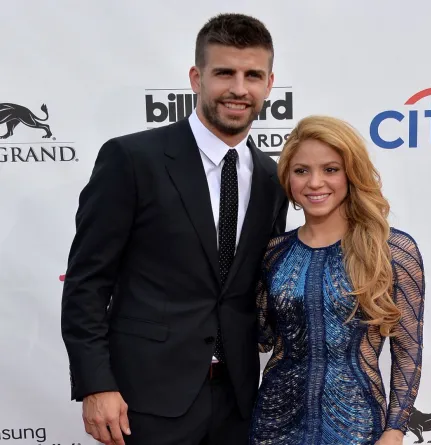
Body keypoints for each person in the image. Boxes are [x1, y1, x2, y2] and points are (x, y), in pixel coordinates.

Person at [60, 13, 288, 445]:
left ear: (269, 84)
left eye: (253, 75)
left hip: (239, 399)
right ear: (196, 77)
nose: (239, 89)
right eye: (224, 73)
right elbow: (87, 282)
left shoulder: (273, 178)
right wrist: (95, 383)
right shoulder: (132, 159)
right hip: (145, 398)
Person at [249, 116, 425, 445]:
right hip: (273, 423)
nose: (315, 183)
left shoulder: (391, 250)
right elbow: (260, 338)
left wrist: (395, 429)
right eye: (302, 170)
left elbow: (408, 350)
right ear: (287, 177)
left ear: (351, 174)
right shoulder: (274, 253)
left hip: (356, 425)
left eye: (330, 169)